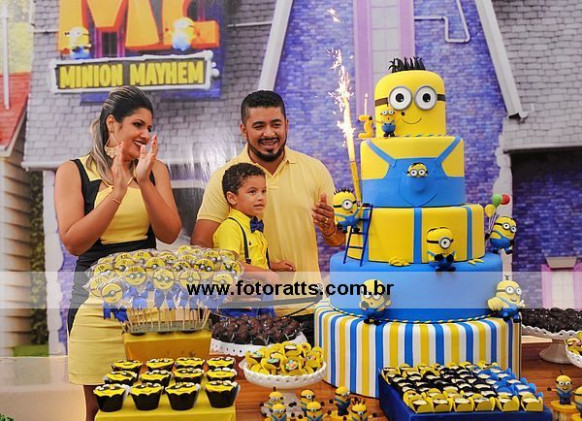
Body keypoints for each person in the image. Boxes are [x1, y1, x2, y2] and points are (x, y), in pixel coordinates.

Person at [54, 86, 181, 421]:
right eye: (138, 125)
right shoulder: (73, 171)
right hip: (94, 307)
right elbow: (74, 242)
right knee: (100, 409)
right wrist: (118, 192)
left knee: (153, 405)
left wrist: (143, 180)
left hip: (148, 302)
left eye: (149, 127)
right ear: (112, 124)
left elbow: (169, 233)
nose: (145, 134)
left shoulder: (156, 170)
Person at [191, 90, 344, 343]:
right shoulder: (225, 176)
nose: (269, 133)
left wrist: (329, 229)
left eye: (276, 124)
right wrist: (236, 283)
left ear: (287, 125)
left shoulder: (314, 170)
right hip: (246, 315)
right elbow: (201, 245)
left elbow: (338, 240)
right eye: (259, 126)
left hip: (307, 309)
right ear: (243, 130)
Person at [214, 162, 294, 316]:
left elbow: (252, 257)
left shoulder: (254, 226)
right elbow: (230, 264)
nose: (261, 197)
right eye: (252, 192)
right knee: (246, 329)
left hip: (262, 293)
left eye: (263, 191)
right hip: (241, 298)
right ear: (232, 198)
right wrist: (264, 274)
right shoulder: (230, 227)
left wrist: (274, 266)